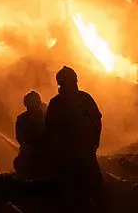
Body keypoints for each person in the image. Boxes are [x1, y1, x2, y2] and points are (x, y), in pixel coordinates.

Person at [45, 66, 103, 209]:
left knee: (83, 188)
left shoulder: (58, 102)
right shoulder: (83, 98)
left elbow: (96, 121)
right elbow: (51, 128)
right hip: (73, 154)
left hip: (76, 153)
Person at [13, 91, 50, 180]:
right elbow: (20, 138)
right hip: (38, 154)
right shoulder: (45, 116)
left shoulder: (45, 116)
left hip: (40, 154)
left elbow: (19, 138)